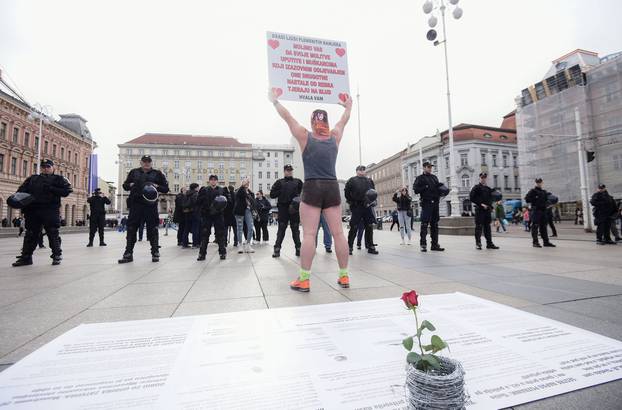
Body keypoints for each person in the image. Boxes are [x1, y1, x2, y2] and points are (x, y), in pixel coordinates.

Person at [270, 88, 351, 292]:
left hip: (313, 186)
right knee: (339, 234)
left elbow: (288, 118)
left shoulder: (305, 136)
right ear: (326, 122)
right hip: (332, 187)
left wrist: (275, 101)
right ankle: (344, 276)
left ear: (313, 121)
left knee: (309, 234)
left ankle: (304, 279)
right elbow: (344, 120)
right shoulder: (335, 137)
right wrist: (348, 106)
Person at [12, 159, 72, 267]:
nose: (45, 169)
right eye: (43, 167)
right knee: (30, 234)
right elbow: (21, 191)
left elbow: (66, 191)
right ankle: (26, 257)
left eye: (48, 166)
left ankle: (56, 255)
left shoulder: (59, 179)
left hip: (50, 209)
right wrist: (16, 199)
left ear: (53, 167)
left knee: (53, 233)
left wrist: (52, 189)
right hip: (33, 210)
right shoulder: (32, 179)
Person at [118, 155, 169, 263]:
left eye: (148, 162)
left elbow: (165, 188)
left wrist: (156, 186)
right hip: (136, 204)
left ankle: (155, 252)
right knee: (131, 228)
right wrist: (131, 184)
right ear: (141, 162)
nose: (146, 163)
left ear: (151, 163)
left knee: (153, 229)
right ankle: (128, 253)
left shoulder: (157, 173)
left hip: (150, 205)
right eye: (144, 161)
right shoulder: (134, 172)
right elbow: (125, 185)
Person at [270, 164, 303, 257]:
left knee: (295, 229)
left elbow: (301, 192)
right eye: (287, 170)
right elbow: (272, 194)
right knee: (281, 229)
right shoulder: (279, 182)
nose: (289, 172)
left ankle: (298, 248)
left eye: (290, 170)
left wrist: (297, 200)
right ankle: (277, 249)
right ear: (284, 171)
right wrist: (281, 191)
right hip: (283, 208)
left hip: (294, 208)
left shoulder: (298, 182)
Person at [345, 165, 379, 255]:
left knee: (369, 226)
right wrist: (351, 202)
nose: (362, 171)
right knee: (354, 227)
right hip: (357, 206)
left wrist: (373, 201)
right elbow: (347, 193)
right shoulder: (352, 180)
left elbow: (373, 192)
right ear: (357, 171)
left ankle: (370, 246)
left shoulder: (369, 181)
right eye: (360, 169)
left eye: (364, 169)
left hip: (367, 206)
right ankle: (349, 247)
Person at [197, 175, 230, 260]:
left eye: (215, 180)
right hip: (207, 215)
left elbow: (228, 202)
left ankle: (222, 253)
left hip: (218, 215)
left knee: (220, 234)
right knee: (205, 235)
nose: (213, 181)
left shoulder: (222, 190)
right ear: (209, 181)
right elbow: (198, 202)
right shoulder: (204, 189)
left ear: (217, 181)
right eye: (211, 180)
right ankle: (202, 254)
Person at [413, 161, 444, 252]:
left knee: (435, 224)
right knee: (424, 224)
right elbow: (415, 190)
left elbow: (438, 189)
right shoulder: (420, 178)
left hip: (435, 203)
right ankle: (423, 244)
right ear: (424, 167)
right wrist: (425, 187)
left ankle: (434, 244)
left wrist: (442, 189)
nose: (430, 168)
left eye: (431, 167)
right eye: (428, 167)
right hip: (426, 203)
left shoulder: (434, 177)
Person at [469, 173, 499, 250]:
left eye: (485, 178)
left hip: (487, 211)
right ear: (479, 178)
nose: (483, 179)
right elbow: (472, 198)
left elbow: (490, 200)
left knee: (487, 227)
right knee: (479, 227)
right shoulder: (476, 188)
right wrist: (481, 204)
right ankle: (478, 243)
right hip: (480, 210)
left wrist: (491, 207)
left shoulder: (488, 189)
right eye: (482, 178)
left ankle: (489, 243)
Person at [525, 178, 556, 248]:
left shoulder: (544, 192)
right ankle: (535, 242)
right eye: (537, 182)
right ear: (535, 183)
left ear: (542, 183)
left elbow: (547, 201)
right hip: (536, 211)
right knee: (535, 226)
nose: (539, 183)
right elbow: (527, 199)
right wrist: (535, 199)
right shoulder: (532, 191)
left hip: (543, 211)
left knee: (543, 227)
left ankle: (546, 242)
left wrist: (549, 204)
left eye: (540, 182)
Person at [234, 178, 255, 253]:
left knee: (250, 227)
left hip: (248, 211)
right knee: (240, 228)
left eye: (247, 183)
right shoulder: (239, 191)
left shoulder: (250, 193)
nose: (247, 184)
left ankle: (248, 244)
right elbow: (238, 194)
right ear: (242, 184)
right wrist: (242, 185)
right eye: (245, 183)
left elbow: (253, 202)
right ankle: (240, 245)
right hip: (239, 211)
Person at [180, 183, 200, 248]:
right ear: (195, 188)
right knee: (195, 229)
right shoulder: (195, 194)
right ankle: (195, 244)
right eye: (198, 187)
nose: (198, 188)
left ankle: (184, 244)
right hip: (194, 213)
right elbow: (196, 203)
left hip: (187, 213)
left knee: (186, 228)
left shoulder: (186, 194)